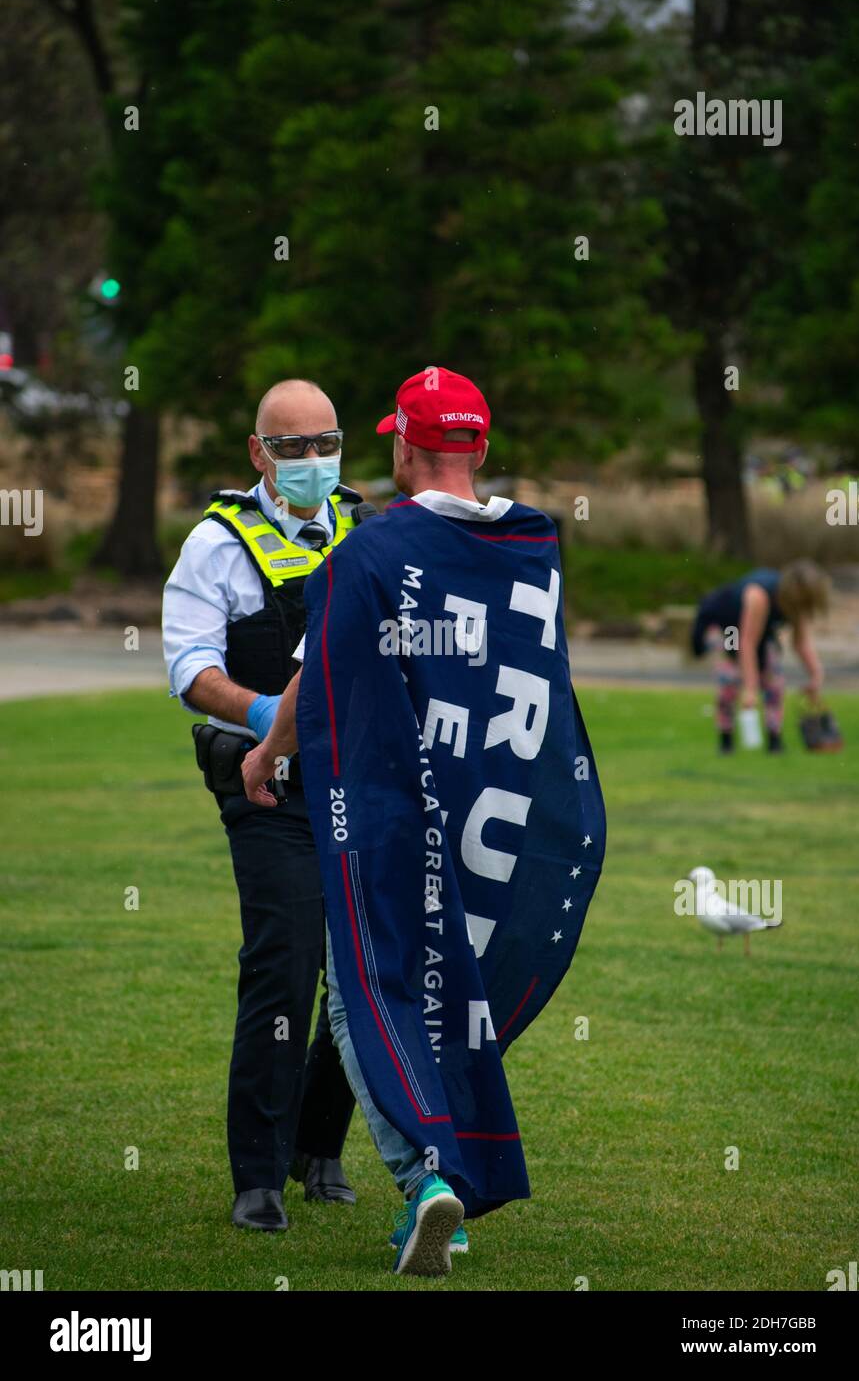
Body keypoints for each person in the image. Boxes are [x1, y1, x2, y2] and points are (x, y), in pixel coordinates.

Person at [242, 369, 605, 1276]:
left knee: (368, 992)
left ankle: (424, 1179)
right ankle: (446, 1171)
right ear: (478, 447)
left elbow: (317, 682)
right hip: (494, 815)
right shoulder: (535, 543)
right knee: (447, 992)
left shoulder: (365, 555)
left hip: (390, 812)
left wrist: (267, 753)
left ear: (402, 448)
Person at [162, 378, 363, 1231]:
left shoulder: (369, 533)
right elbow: (189, 669)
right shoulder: (215, 544)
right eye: (294, 448)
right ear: (259, 455)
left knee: (362, 976)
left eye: (327, 444)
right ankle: (259, 1176)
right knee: (284, 961)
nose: (314, 462)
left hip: (362, 789)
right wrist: (269, 720)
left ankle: (321, 1146)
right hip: (264, 784)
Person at [691, 561, 830, 753]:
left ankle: (774, 740)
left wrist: (816, 675)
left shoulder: (796, 604)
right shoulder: (759, 595)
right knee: (730, 679)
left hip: (758, 632)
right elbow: (746, 644)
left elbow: (800, 642)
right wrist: (750, 688)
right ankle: (726, 740)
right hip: (727, 626)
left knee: (774, 683)